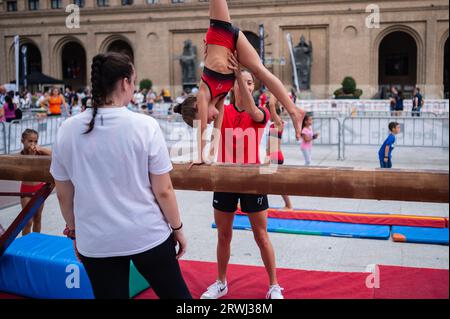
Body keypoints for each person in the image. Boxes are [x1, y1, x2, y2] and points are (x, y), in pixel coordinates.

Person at [50, 52, 191, 299]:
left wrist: (74, 231)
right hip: (147, 234)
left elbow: (64, 194)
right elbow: (163, 190)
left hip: (96, 239)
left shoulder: (67, 129)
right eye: (134, 82)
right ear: (125, 82)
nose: (134, 88)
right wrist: (177, 227)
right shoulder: (144, 126)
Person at [195, 62, 285, 299]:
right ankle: (221, 282)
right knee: (224, 235)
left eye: (251, 82)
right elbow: (203, 104)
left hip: (252, 179)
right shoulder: (222, 111)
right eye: (242, 82)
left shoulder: (261, 113)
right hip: (225, 179)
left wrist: (238, 75)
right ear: (232, 86)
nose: (247, 85)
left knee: (261, 235)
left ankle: (274, 285)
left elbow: (253, 111)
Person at [175, 0, 304, 164]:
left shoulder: (203, 94)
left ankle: (293, 111)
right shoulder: (220, 99)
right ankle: (294, 111)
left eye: (206, 119)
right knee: (260, 70)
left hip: (220, 32)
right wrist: (210, 157)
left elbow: (202, 130)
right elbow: (216, 131)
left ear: (197, 107)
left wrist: (200, 157)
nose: (209, 121)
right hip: (232, 42)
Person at [19, 129, 52, 236]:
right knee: (27, 221)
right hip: (26, 191)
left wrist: (40, 149)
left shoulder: (39, 153)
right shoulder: (19, 155)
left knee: (37, 218)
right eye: (30, 141)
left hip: (39, 189)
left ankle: (36, 242)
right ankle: (25, 244)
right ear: (22, 141)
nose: (32, 144)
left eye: (35, 141)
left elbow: (55, 155)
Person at [266, 94, 293, 210]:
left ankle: (289, 205)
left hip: (275, 156)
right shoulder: (272, 124)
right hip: (273, 155)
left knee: (274, 182)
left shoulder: (278, 123)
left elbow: (271, 104)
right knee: (267, 181)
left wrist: (273, 91)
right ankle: (259, 203)